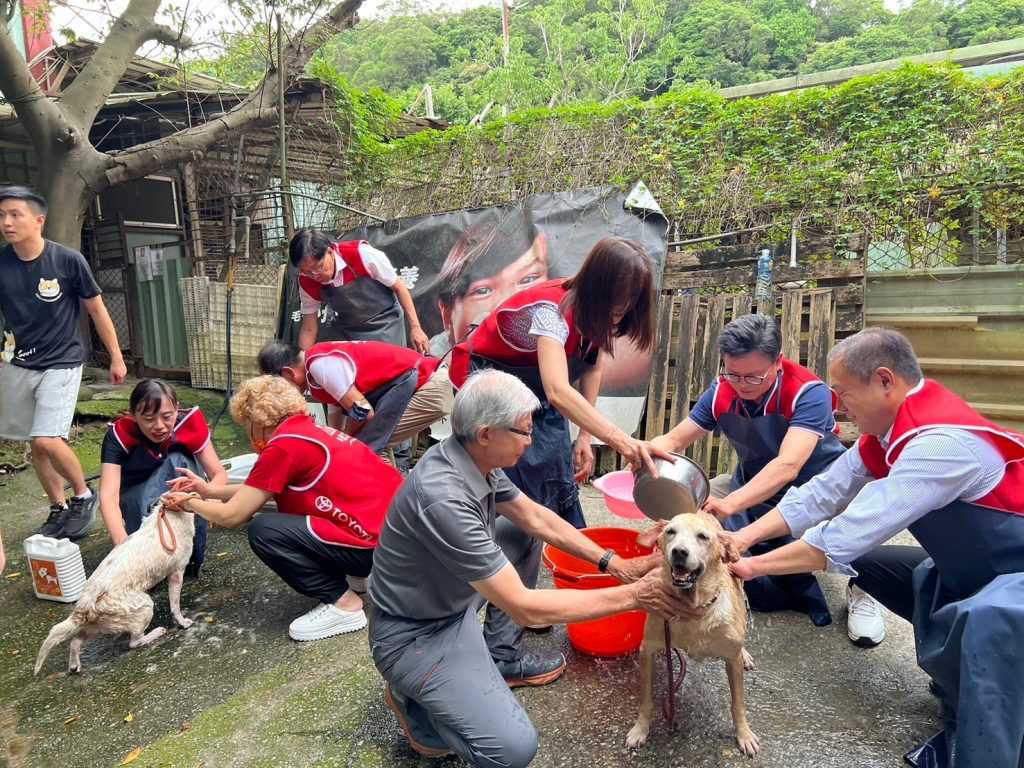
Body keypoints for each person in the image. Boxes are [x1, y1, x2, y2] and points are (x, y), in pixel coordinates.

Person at [726, 327, 1024, 768]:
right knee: (870, 564)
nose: (836, 406)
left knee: (986, 620)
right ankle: (962, 681)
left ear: (885, 380)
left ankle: (989, 746)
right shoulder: (885, 435)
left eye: (843, 394)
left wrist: (750, 567)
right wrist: (741, 537)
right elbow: (821, 494)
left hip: (1011, 579)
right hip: (979, 567)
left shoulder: (939, 446)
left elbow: (839, 538)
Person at [368, 369, 697, 766]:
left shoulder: (473, 458)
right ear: (487, 433)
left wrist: (615, 564)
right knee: (512, 750)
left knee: (523, 532)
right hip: (416, 633)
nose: (531, 440)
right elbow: (526, 607)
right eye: (524, 431)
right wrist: (635, 595)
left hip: (452, 601)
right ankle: (415, 704)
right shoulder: (444, 497)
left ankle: (498, 655)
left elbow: (536, 518)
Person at [163, 375, 403, 642]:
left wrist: (190, 504)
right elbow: (261, 490)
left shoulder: (284, 446)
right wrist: (208, 491)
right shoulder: (308, 431)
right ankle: (358, 577)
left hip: (373, 546)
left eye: (246, 426)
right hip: (393, 538)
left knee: (265, 531)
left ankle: (343, 603)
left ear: (257, 422)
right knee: (297, 514)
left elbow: (232, 516)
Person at [450, 235, 666, 528]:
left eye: (626, 310)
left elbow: (591, 365)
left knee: (556, 465)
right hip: (491, 385)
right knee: (506, 469)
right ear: (596, 291)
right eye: (616, 309)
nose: (621, 317)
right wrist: (620, 440)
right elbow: (557, 391)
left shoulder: (596, 315)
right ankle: (493, 542)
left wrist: (585, 436)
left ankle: (570, 547)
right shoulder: (549, 310)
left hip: (537, 387)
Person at [650, 314, 845, 627]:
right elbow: (674, 439)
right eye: (733, 374)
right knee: (694, 505)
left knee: (858, 519)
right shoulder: (720, 391)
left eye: (753, 377)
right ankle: (694, 578)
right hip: (754, 482)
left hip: (818, 485)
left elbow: (788, 465)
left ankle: (863, 590)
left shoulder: (808, 393)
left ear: (778, 362)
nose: (742, 385)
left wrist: (731, 504)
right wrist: (647, 452)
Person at [0, 186, 127, 540]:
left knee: (45, 439)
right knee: (32, 441)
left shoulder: (68, 260)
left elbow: (97, 309)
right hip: (19, 362)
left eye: (15, 214)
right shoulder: (1, 263)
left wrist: (116, 356)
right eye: (1, 215)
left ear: (38, 220)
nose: (6, 222)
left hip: (63, 361)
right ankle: (58, 507)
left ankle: (84, 496)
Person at [98, 379, 225, 577]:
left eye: (167, 416)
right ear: (133, 416)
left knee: (178, 460)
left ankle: (188, 554)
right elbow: (108, 495)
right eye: (148, 419)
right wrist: (122, 544)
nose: (159, 426)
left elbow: (218, 473)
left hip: (180, 481)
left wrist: (212, 493)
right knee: (145, 557)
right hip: (136, 489)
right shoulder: (120, 434)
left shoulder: (189, 424)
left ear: (177, 409)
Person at [257, 339, 452, 453]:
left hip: (429, 383)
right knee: (362, 445)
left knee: (365, 448)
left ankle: (387, 508)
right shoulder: (316, 373)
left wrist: (347, 441)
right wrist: (335, 442)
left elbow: (361, 411)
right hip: (423, 383)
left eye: (279, 383)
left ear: (289, 373)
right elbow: (337, 420)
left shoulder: (318, 365)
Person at [290, 228, 430, 354]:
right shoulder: (306, 281)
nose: (314, 275)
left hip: (387, 321)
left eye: (317, 268)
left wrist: (416, 327)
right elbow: (309, 327)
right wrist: (303, 361)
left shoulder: (362, 255)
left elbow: (399, 287)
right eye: (306, 271)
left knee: (391, 369)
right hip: (351, 331)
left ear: (330, 252)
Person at [430, 213, 549, 356]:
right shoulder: (435, 367)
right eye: (482, 291)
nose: (507, 304)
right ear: (448, 314)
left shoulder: (558, 342)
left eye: (527, 280)